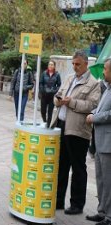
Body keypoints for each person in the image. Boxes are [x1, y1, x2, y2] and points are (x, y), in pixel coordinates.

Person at [50, 50, 101, 215]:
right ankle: (58, 200)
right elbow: (57, 95)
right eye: (73, 64)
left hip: (78, 131)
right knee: (61, 166)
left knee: (78, 168)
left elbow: (92, 106)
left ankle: (77, 204)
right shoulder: (69, 78)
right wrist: (57, 100)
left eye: (78, 64)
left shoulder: (93, 83)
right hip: (61, 125)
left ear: (86, 64)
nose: (74, 67)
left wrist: (71, 102)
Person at [85, 58, 111, 225]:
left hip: (108, 143)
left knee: (109, 182)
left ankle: (109, 216)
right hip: (100, 141)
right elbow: (103, 108)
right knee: (100, 179)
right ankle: (101, 211)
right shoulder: (107, 89)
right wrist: (93, 111)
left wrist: (95, 117)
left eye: (106, 69)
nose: (103, 72)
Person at [39, 60, 61, 127]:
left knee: (50, 112)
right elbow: (41, 83)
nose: (50, 66)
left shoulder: (57, 74)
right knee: (43, 111)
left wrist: (55, 90)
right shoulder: (44, 73)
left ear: (54, 66)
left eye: (52, 65)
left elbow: (59, 85)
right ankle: (45, 121)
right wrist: (42, 90)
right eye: (49, 64)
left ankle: (48, 125)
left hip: (52, 96)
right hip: (44, 95)